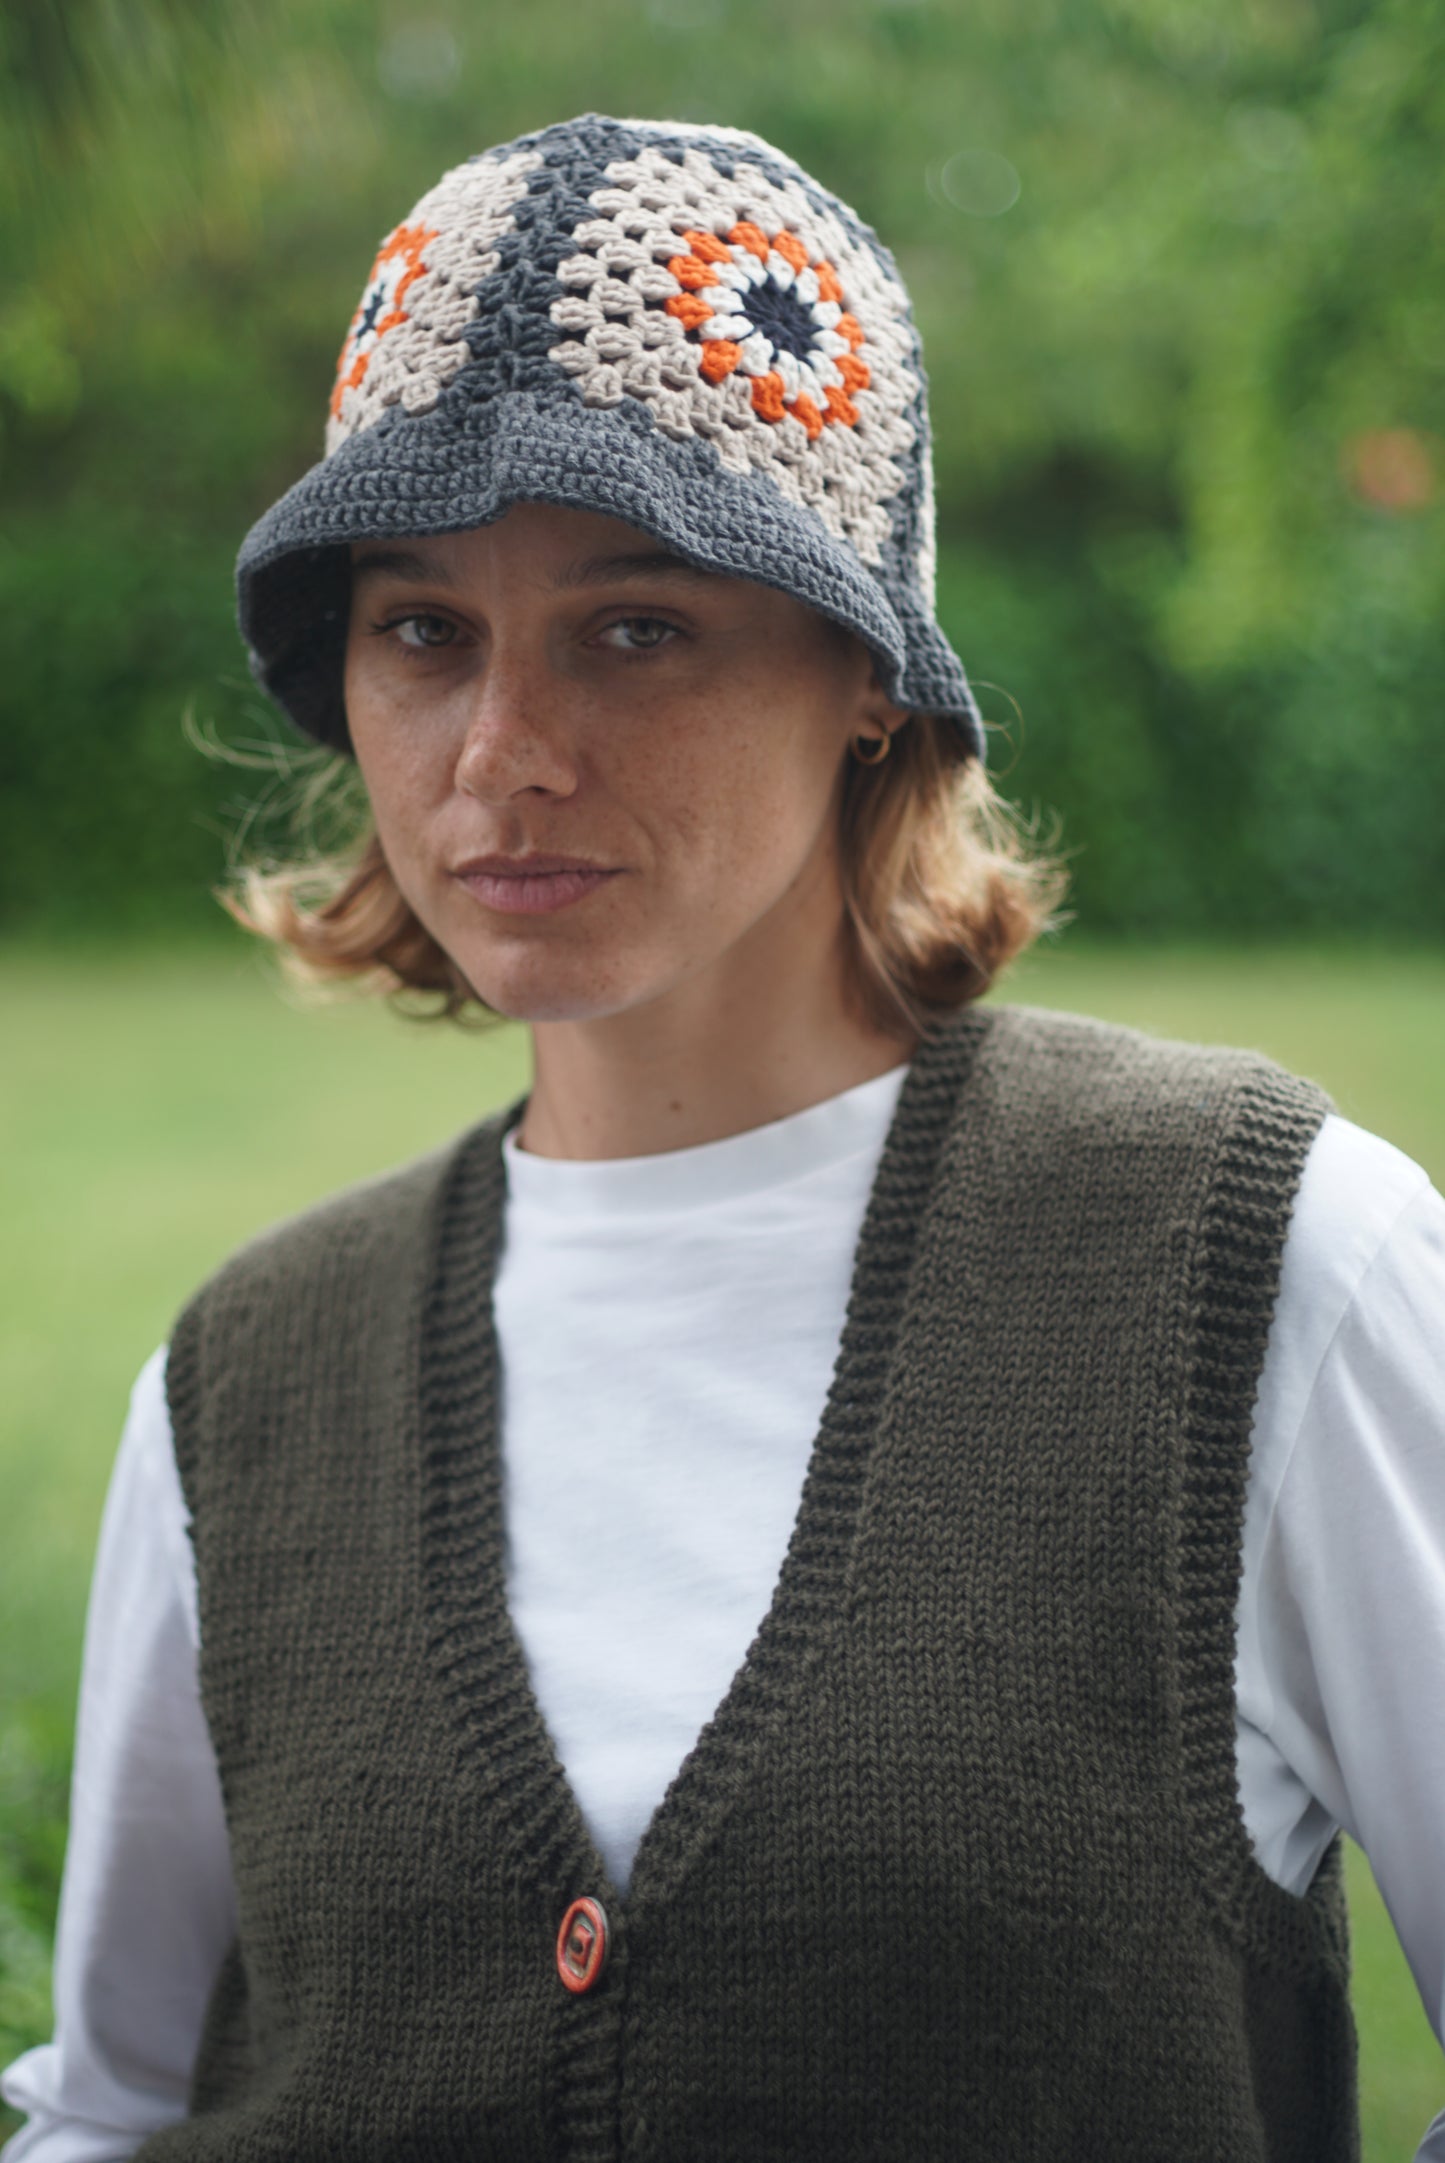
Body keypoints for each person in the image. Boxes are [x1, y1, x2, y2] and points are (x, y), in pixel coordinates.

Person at [4, 112, 1444, 2161]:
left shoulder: (1263, 1262)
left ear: (865, 669)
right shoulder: (245, 1386)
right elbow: (114, 2112)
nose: (504, 751)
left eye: (637, 624)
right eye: (423, 628)